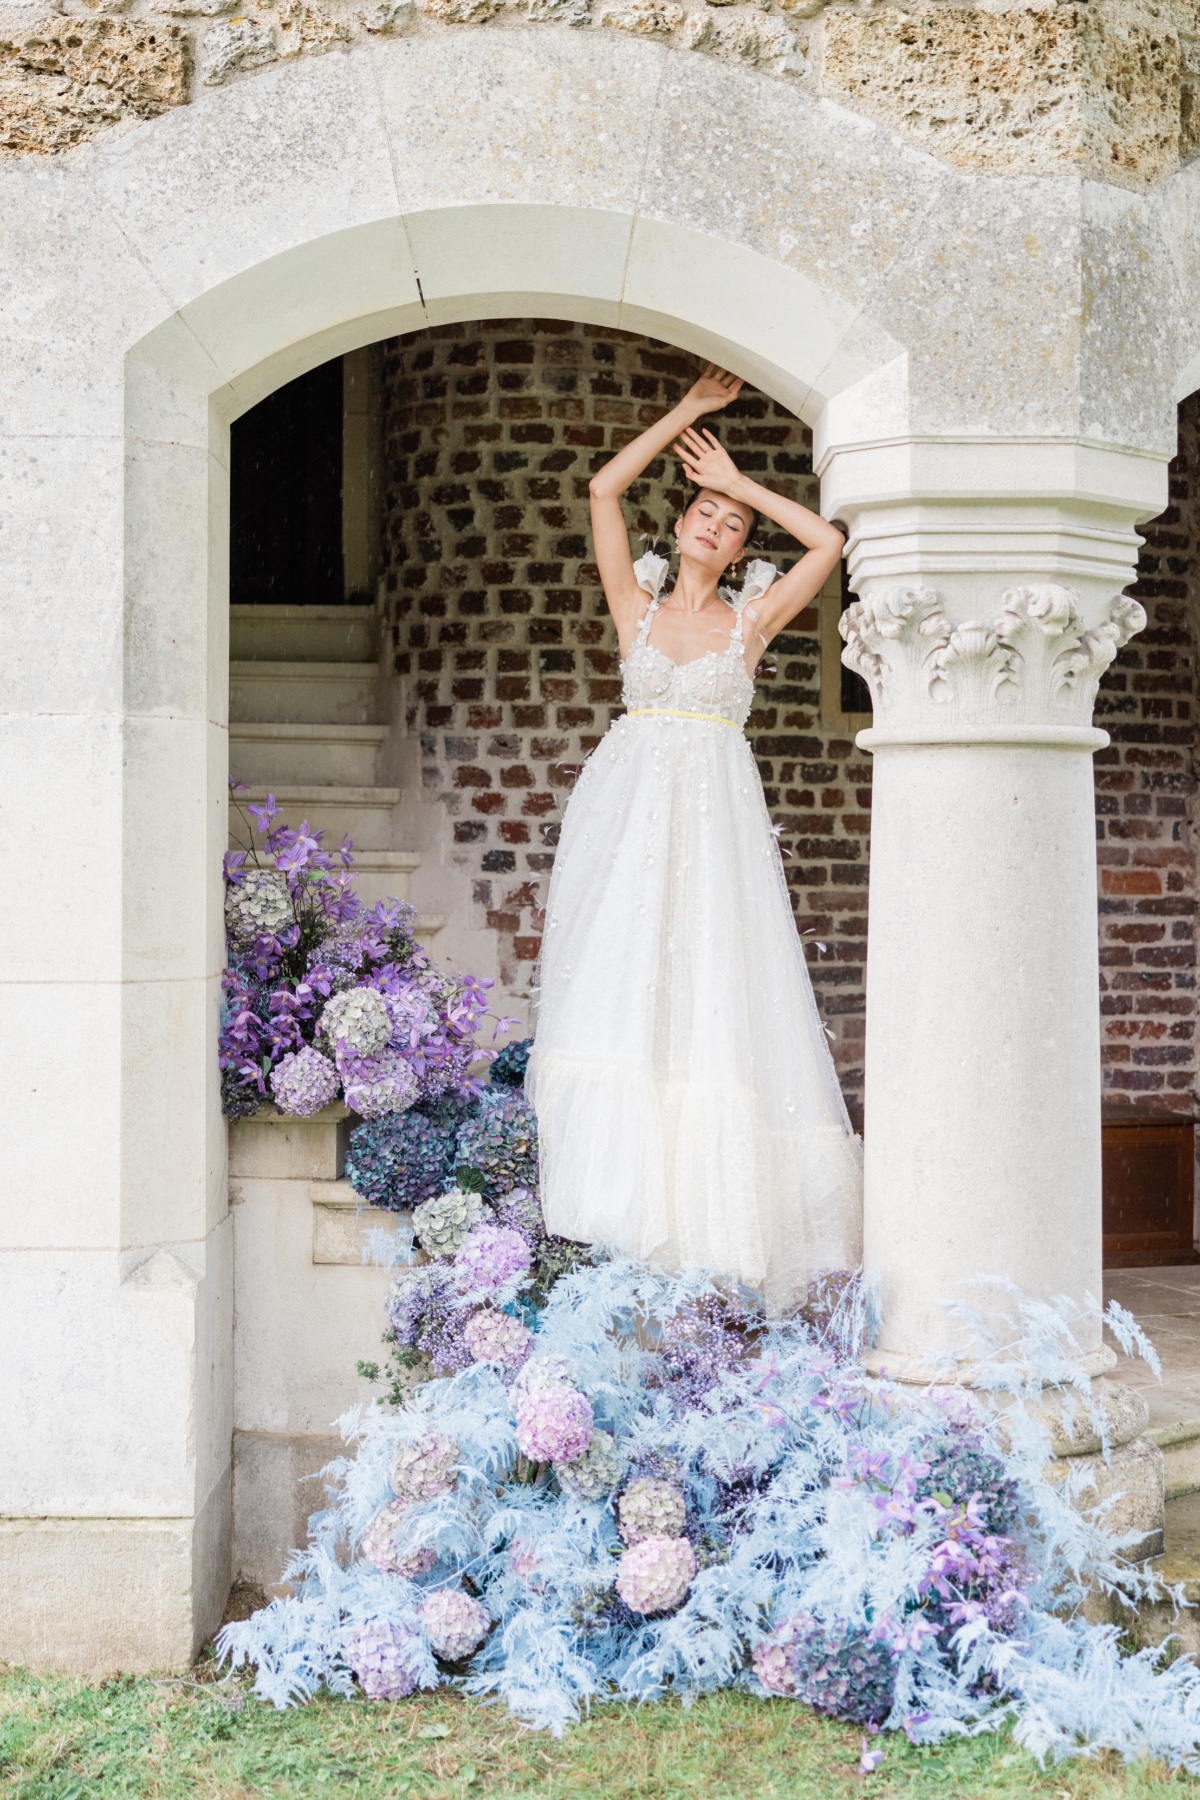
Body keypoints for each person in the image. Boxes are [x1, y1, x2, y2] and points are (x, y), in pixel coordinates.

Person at [524, 366, 863, 1308]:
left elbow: (827, 542)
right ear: (677, 526)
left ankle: (714, 1232)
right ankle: (623, 1217)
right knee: (626, 986)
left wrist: (746, 484)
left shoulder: (750, 622)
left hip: (715, 826)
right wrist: (687, 417)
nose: (717, 527)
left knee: (713, 989)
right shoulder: (634, 606)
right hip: (629, 821)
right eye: (704, 513)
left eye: (733, 525)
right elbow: (602, 490)